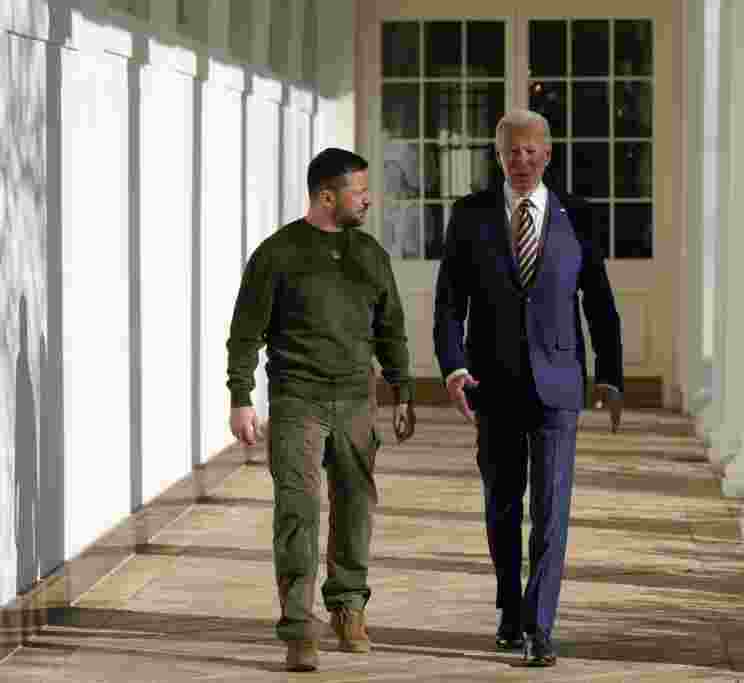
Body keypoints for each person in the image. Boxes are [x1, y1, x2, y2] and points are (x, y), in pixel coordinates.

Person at [433, 109, 625, 667]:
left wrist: (610, 375)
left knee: (550, 508)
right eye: (511, 151)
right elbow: (450, 303)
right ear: (498, 156)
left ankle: (540, 626)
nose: (521, 160)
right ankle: (510, 609)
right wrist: (453, 367)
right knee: (502, 505)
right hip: (492, 383)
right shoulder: (470, 216)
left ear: (548, 154)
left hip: (558, 385)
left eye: (531, 150)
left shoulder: (578, 215)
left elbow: (599, 300)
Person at [226, 148, 416, 672]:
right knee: (298, 511)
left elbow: (391, 328)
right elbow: (245, 333)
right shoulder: (277, 254)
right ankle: (298, 628)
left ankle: (349, 607)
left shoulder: (370, 255)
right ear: (327, 196)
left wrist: (402, 390)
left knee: (355, 506)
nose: (368, 200)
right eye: (360, 191)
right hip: (297, 400)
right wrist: (241, 397)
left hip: (356, 399)